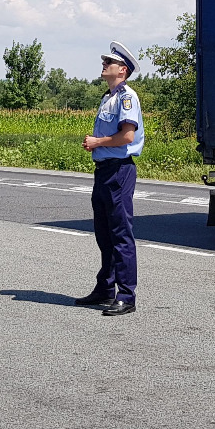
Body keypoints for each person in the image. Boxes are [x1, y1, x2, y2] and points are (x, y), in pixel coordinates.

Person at [77, 40, 143, 317]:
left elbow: (127, 136)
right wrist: (97, 145)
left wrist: (97, 142)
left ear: (123, 70)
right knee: (104, 233)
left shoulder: (127, 97)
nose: (104, 64)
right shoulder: (109, 97)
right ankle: (105, 288)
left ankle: (126, 296)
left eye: (109, 62)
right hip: (104, 170)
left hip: (119, 170)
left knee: (120, 235)